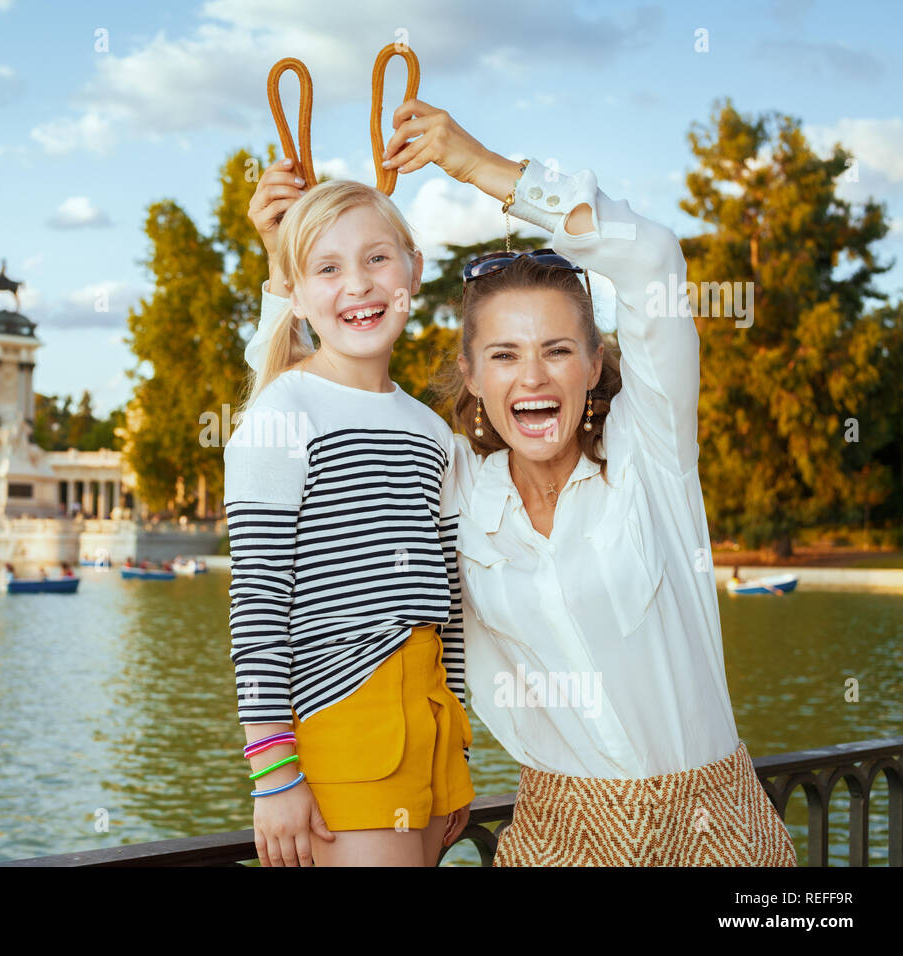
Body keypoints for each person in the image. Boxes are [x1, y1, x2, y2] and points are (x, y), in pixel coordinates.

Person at [251, 99, 796, 867]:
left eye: (558, 350)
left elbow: (655, 261)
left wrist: (481, 168)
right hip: (557, 836)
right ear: (471, 375)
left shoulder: (653, 460)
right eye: (504, 355)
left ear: (597, 365)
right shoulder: (454, 481)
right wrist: (287, 268)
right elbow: (299, 433)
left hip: (717, 832)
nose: (533, 376)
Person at [229, 167, 473, 867]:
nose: (358, 284)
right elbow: (258, 602)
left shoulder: (432, 433)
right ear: (295, 294)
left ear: (413, 271)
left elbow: (446, 601)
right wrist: (274, 776)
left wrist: (452, 742)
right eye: (327, 268)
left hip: (427, 731)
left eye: (376, 258)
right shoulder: (284, 413)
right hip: (346, 726)